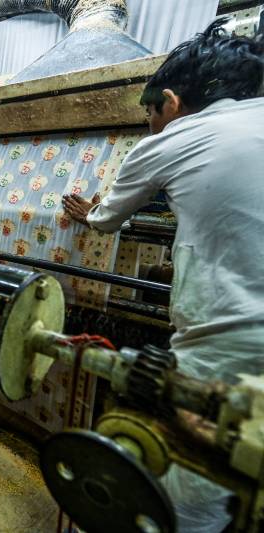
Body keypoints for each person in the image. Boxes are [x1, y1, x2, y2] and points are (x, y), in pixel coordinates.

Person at [62, 20, 264, 533]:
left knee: (190, 503)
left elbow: (107, 218)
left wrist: (88, 213)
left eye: (150, 116)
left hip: (231, 349)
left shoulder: (172, 140)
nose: (150, 127)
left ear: (170, 103)